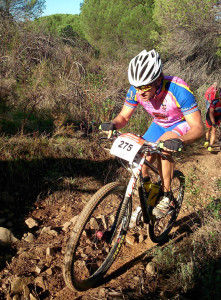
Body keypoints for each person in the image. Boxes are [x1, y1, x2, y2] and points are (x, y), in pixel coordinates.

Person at [101, 49, 204, 217]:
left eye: (145, 87)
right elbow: (124, 117)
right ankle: (150, 189)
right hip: (159, 124)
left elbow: (198, 128)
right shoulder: (136, 90)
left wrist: (181, 141)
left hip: (181, 124)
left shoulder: (178, 90)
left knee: (164, 146)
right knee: (141, 156)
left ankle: (166, 195)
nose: (140, 92)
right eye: (137, 87)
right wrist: (112, 124)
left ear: (158, 80)